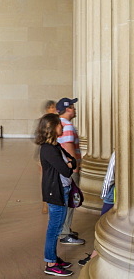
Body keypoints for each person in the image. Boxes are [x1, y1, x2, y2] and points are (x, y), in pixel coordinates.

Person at [36, 113, 76, 276]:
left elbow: (73, 161)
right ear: (52, 127)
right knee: (54, 228)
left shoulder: (55, 146)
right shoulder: (48, 149)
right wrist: (69, 163)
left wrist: (69, 163)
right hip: (56, 192)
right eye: (59, 124)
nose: (63, 126)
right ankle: (51, 263)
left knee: (57, 227)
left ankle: (53, 258)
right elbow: (67, 170)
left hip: (61, 190)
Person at [55, 98, 85, 245]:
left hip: (63, 169)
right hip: (69, 169)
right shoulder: (66, 126)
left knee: (67, 200)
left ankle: (65, 229)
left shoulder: (59, 124)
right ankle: (65, 233)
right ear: (67, 109)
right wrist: (75, 168)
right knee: (70, 200)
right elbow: (68, 147)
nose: (75, 110)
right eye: (73, 107)